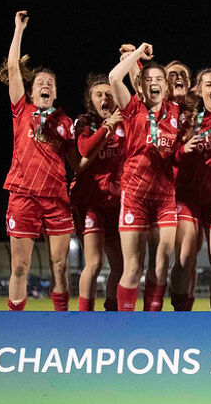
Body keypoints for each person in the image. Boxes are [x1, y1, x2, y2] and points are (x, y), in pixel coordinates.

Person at [0, 10, 76, 311]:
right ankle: (15, 323)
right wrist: (18, 29)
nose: (46, 85)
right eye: (41, 81)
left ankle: (62, 321)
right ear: (31, 91)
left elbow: (76, 161)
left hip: (57, 198)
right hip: (23, 194)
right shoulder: (22, 112)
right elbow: (14, 69)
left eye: (51, 83)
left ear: (55, 93)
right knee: (20, 266)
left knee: (59, 266)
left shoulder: (66, 121)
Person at [109, 43, 188, 311]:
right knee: (133, 266)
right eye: (148, 80)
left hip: (165, 198)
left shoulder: (177, 114)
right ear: (141, 86)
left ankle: (151, 320)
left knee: (161, 263)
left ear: (166, 87)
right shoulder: (132, 108)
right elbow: (113, 78)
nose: (154, 84)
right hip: (134, 196)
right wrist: (137, 55)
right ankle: (125, 325)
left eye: (159, 80)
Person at [170, 67, 211, 311]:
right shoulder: (185, 120)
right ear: (197, 90)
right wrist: (181, 151)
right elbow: (167, 158)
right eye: (208, 84)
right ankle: (180, 313)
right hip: (189, 199)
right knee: (185, 257)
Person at [72, 74, 125, 311]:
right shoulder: (84, 123)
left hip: (118, 202)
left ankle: (111, 313)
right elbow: (84, 149)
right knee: (94, 262)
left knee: (120, 265)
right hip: (90, 201)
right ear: (90, 100)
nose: (105, 98)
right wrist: (108, 126)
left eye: (109, 94)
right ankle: (86, 318)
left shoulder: (126, 122)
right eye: (99, 94)